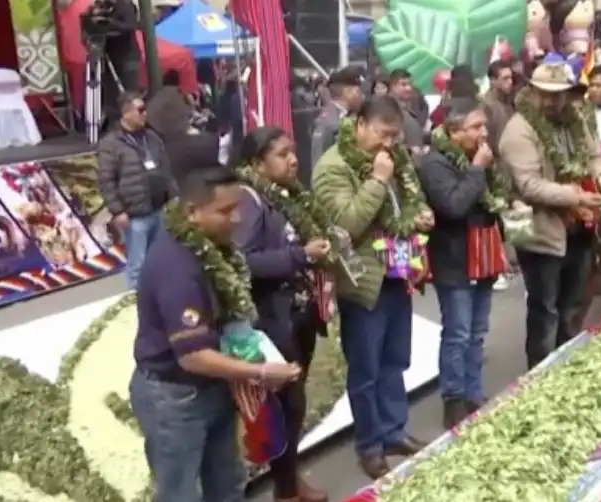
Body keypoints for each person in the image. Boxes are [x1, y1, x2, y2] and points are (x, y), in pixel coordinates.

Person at [129, 166, 302, 502]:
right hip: (176, 396)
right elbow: (193, 356)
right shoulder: (176, 267)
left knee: (227, 482)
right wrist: (261, 372)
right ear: (192, 213)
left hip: (214, 386)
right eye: (225, 211)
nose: (237, 218)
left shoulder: (216, 248)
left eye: (238, 207)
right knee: (180, 492)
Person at [312, 96, 432, 479]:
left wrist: (419, 215)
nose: (389, 145)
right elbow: (348, 223)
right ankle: (370, 445)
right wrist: (378, 179)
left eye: (395, 137)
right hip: (362, 279)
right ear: (360, 124)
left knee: (395, 361)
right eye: (383, 134)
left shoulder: (393, 156)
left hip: (397, 272)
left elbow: (406, 203)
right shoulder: (332, 166)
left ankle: (394, 430)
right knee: (365, 369)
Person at [233, 127, 330, 502]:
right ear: (258, 163)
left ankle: (289, 481)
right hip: (274, 320)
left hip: (297, 313)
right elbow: (243, 262)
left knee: (295, 404)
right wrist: (299, 255)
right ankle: (286, 490)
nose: (293, 159)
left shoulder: (285, 195)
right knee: (284, 407)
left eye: (293, 152)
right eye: (282, 154)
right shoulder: (248, 200)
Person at [499, 62, 601, 370]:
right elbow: (530, 186)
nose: (552, 101)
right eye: (545, 95)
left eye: (558, 95)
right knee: (544, 307)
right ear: (532, 92)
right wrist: (576, 195)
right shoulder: (518, 130)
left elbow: (594, 155)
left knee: (573, 303)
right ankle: (539, 372)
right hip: (539, 230)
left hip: (578, 226)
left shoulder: (573, 119)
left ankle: (567, 364)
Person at [419, 99, 509, 428]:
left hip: (483, 255)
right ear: (454, 132)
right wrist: (477, 170)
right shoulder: (435, 164)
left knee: (477, 331)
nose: (483, 133)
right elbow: (454, 205)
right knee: (457, 332)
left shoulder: (480, 156)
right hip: (454, 259)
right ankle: (453, 400)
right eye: (475, 127)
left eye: (484, 126)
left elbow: (495, 199)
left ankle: (474, 393)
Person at [97, 92, 176, 288]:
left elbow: (166, 169)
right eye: (140, 110)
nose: (145, 114)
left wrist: (174, 196)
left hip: (160, 207)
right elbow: (106, 180)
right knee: (137, 263)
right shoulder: (111, 143)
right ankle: (135, 301)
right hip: (135, 213)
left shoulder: (152, 136)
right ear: (126, 113)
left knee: (160, 259)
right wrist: (118, 210)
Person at [481, 59, 517, 292]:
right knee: (497, 221)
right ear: (492, 80)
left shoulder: (510, 104)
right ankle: (498, 268)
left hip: (512, 168)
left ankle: (509, 264)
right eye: (504, 78)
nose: (509, 82)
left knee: (511, 220)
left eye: (510, 78)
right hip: (495, 169)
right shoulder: (485, 106)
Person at [310, 67, 364, 168]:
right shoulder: (329, 122)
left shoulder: (346, 117)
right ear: (347, 92)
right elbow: (318, 162)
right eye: (358, 92)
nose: (361, 96)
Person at [388, 69, 425, 152]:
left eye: (410, 84)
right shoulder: (388, 109)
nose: (408, 88)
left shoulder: (408, 108)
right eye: (403, 84)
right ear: (392, 86)